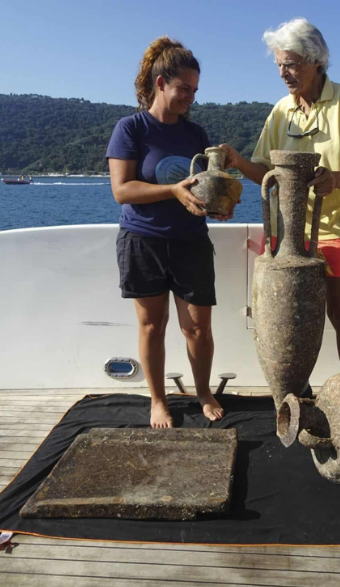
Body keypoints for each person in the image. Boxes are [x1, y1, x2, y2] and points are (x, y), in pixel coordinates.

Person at [221, 18, 340, 375]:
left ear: (316, 61)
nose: (282, 72)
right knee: (280, 310)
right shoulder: (281, 110)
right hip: (284, 231)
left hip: (333, 229)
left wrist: (336, 179)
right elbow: (267, 175)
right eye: (279, 64)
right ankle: (291, 388)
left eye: (290, 63)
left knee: (339, 309)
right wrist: (237, 162)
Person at [107, 36, 228, 428]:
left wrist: (218, 203)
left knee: (198, 327)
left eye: (194, 90)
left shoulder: (196, 134)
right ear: (161, 84)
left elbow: (205, 185)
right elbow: (122, 190)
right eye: (183, 89)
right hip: (143, 241)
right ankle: (158, 400)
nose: (189, 97)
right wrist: (173, 190)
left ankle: (204, 391)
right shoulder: (131, 129)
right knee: (152, 326)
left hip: (191, 240)